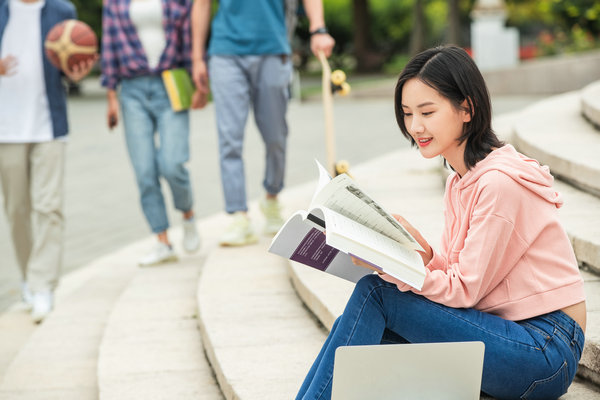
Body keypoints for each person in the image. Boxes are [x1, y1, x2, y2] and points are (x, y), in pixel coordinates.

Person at [296, 45, 586, 400]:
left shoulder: (499, 184)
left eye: (427, 112)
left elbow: (464, 291)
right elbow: (461, 276)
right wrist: (424, 253)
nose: (416, 126)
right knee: (354, 328)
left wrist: (394, 270)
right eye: (407, 113)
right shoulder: (460, 180)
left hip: (545, 349)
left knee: (376, 293)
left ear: (466, 108)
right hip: (506, 334)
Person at [190, 0, 335, 246]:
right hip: (225, 52)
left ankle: (272, 196)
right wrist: (196, 58)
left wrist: (318, 28)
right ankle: (239, 215)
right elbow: (201, 4)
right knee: (229, 139)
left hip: (272, 49)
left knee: (275, 136)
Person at [0, 0, 96, 322]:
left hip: (48, 126)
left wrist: (76, 74)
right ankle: (28, 277)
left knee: (49, 207)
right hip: (6, 128)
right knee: (17, 211)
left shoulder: (62, 11)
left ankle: (43, 285)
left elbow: (72, 75)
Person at [101, 0, 204, 266]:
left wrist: (198, 82)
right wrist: (111, 96)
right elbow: (110, 45)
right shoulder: (113, 3)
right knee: (144, 171)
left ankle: (188, 214)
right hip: (132, 89)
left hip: (171, 82)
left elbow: (190, 36)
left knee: (172, 163)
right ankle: (162, 242)